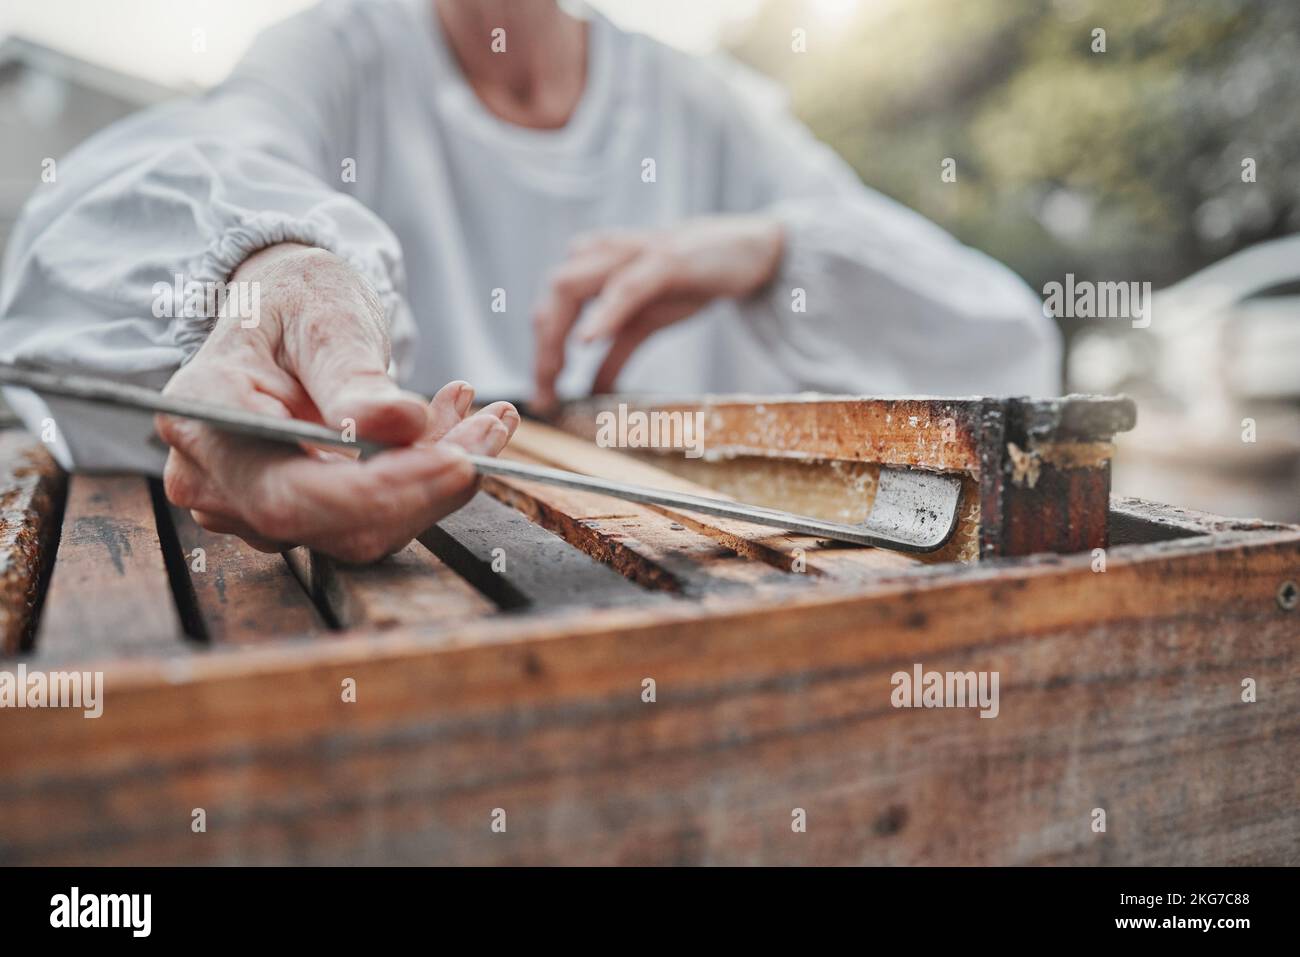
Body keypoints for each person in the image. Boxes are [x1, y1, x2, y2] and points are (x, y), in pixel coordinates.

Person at [0, 0, 1061, 562]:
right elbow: (122, 215)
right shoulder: (332, 51)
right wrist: (270, 272)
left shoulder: (708, 109)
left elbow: (1008, 342)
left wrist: (774, 249)